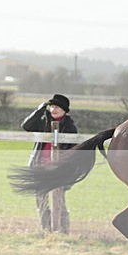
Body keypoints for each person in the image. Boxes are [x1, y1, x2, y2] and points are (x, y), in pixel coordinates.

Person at [21, 93, 78, 233]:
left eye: (57, 107)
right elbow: (26, 126)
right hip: (40, 166)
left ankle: (63, 231)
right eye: (51, 106)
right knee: (41, 201)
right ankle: (46, 230)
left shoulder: (69, 126)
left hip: (58, 170)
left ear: (64, 110)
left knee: (60, 202)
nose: (53, 109)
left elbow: (73, 150)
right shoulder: (42, 121)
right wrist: (39, 109)